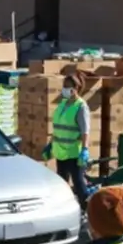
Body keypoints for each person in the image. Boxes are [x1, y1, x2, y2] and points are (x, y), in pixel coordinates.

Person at [44, 72, 91, 205]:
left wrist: (85, 149)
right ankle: (64, 207)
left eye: (67, 86)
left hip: (74, 154)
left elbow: (85, 131)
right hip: (61, 152)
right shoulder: (63, 104)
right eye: (64, 86)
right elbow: (58, 128)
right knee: (61, 184)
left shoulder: (81, 106)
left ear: (76, 88)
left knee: (79, 184)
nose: (64, 89)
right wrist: (50, 145)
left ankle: (86, 208)